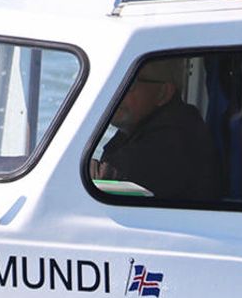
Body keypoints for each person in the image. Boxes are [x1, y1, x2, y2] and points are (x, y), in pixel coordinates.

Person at [91, 57, 223, 200]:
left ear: (163, 93)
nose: (116, 91)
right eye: (115, 81)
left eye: (130, 83)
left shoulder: (173, 140)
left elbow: (96, 180)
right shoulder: (146, 124)